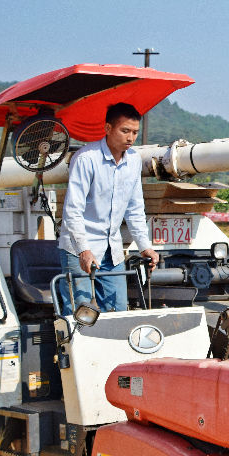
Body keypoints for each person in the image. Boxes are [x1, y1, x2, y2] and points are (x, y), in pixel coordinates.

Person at [57, 103, 159, 315]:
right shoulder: (86, 159)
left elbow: (135, 209)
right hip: (79, 248)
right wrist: (84, 251)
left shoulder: (134, 161)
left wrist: (145, 246)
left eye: (135, 132)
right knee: (82, 314)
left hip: (112, 250)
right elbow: (72, 211)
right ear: (108, 128)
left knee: (118, 311)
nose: (130, 138)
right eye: (125, 131)